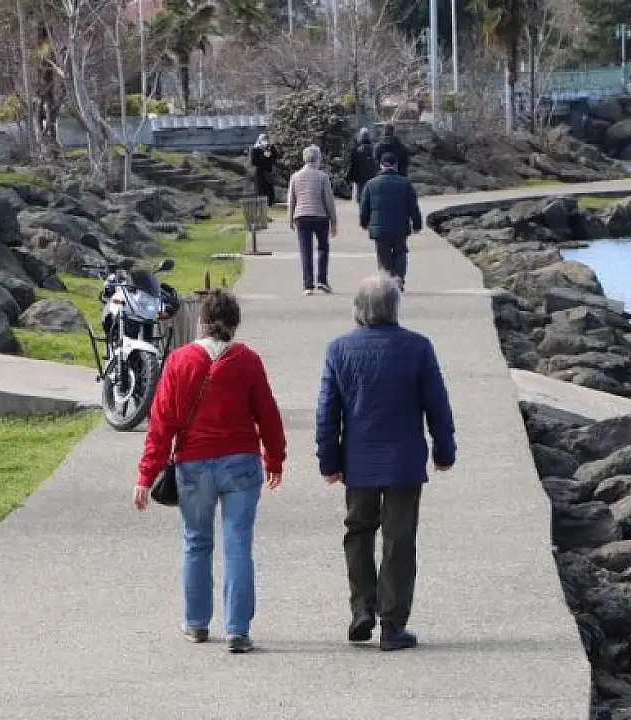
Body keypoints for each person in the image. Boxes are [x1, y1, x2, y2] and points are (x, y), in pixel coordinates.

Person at [134, 289, 287, 654]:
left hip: (194, 463)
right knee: (238, 544)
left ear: (201, 322)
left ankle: (197, 623)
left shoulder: (179, 361)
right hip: (241, 462)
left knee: (196, 541)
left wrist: (145, 476)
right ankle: (237, 629)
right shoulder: (247, 360)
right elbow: (268, 414)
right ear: (235, 324)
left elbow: (161, 423)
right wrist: (274, 459)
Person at [315, 274, 456, 652]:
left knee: (358, 532)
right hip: (404, 461)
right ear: (394, 307)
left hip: (358, 461)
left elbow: (327, 412)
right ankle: (392, 624)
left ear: (359, 309)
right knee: (399, 540)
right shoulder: (418, 347)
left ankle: (362, 608)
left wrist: (329, 460)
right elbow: (438, 405)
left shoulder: (339, 349)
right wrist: (444, 452)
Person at [358, 152, 422, 290]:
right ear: (396, 165)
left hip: (379, 228)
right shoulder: (405, 183)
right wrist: (417, 224)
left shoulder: (371, 184)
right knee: (400, 252)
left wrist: (364, 222)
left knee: (383, 255)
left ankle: (387, 282)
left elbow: (364, 207)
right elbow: (413, 207)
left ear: (381, 165)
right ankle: (398, 279)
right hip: (400, 226)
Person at [287, 144, 338, 295]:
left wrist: (290, 218)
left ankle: (308, 284)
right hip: (320, 216)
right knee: (323, 247)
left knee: (305, 250)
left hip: (301, 216)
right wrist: (334, 221)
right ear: (318, 159)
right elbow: (329, 200)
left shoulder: (295, 176)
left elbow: (291, 199)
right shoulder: (322, 177)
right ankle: (322, 280)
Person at [346, 128, 378, 201]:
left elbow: (353, 165)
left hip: (360, 180)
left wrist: (349, 177)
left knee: (361, 199)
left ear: (360, 137)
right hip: (372, 178)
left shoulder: (357, 150)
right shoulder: (374, 149)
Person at [249, 133, 280, 209]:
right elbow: (253, 161)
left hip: (268, 170)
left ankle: (270, 203)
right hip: (259, 172)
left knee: (269, 187)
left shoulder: (271, 148)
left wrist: (270, 153)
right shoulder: (255, 149)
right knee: (261, 188)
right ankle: (261, 204)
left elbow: (275, 157)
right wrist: (263, 156)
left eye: (266, 139)